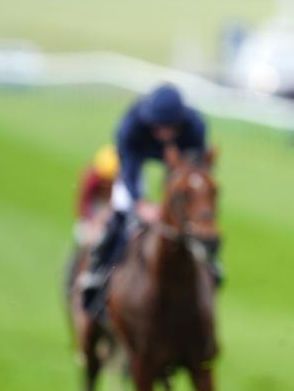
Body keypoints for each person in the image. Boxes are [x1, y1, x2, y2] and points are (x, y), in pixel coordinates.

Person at [79, 84, 217, 311]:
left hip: (179, 166)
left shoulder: (195, 127)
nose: (164, 133)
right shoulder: (130, 126)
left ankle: (211, 266)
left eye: (170, 126)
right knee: (122, 213)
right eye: (159, 126)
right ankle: (98, 272)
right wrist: (140, 203)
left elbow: (194, 170)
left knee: (193, 212)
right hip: (135, 163)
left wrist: (170, 204)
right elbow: (129, 169)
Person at [73, 145, 119, 245]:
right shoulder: (91, 178)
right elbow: (83, 203)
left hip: (109, 207)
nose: (107, 184)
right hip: (95, 206)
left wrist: (106, 217)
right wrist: (91, 219)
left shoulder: (120, 180)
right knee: (86, 237)